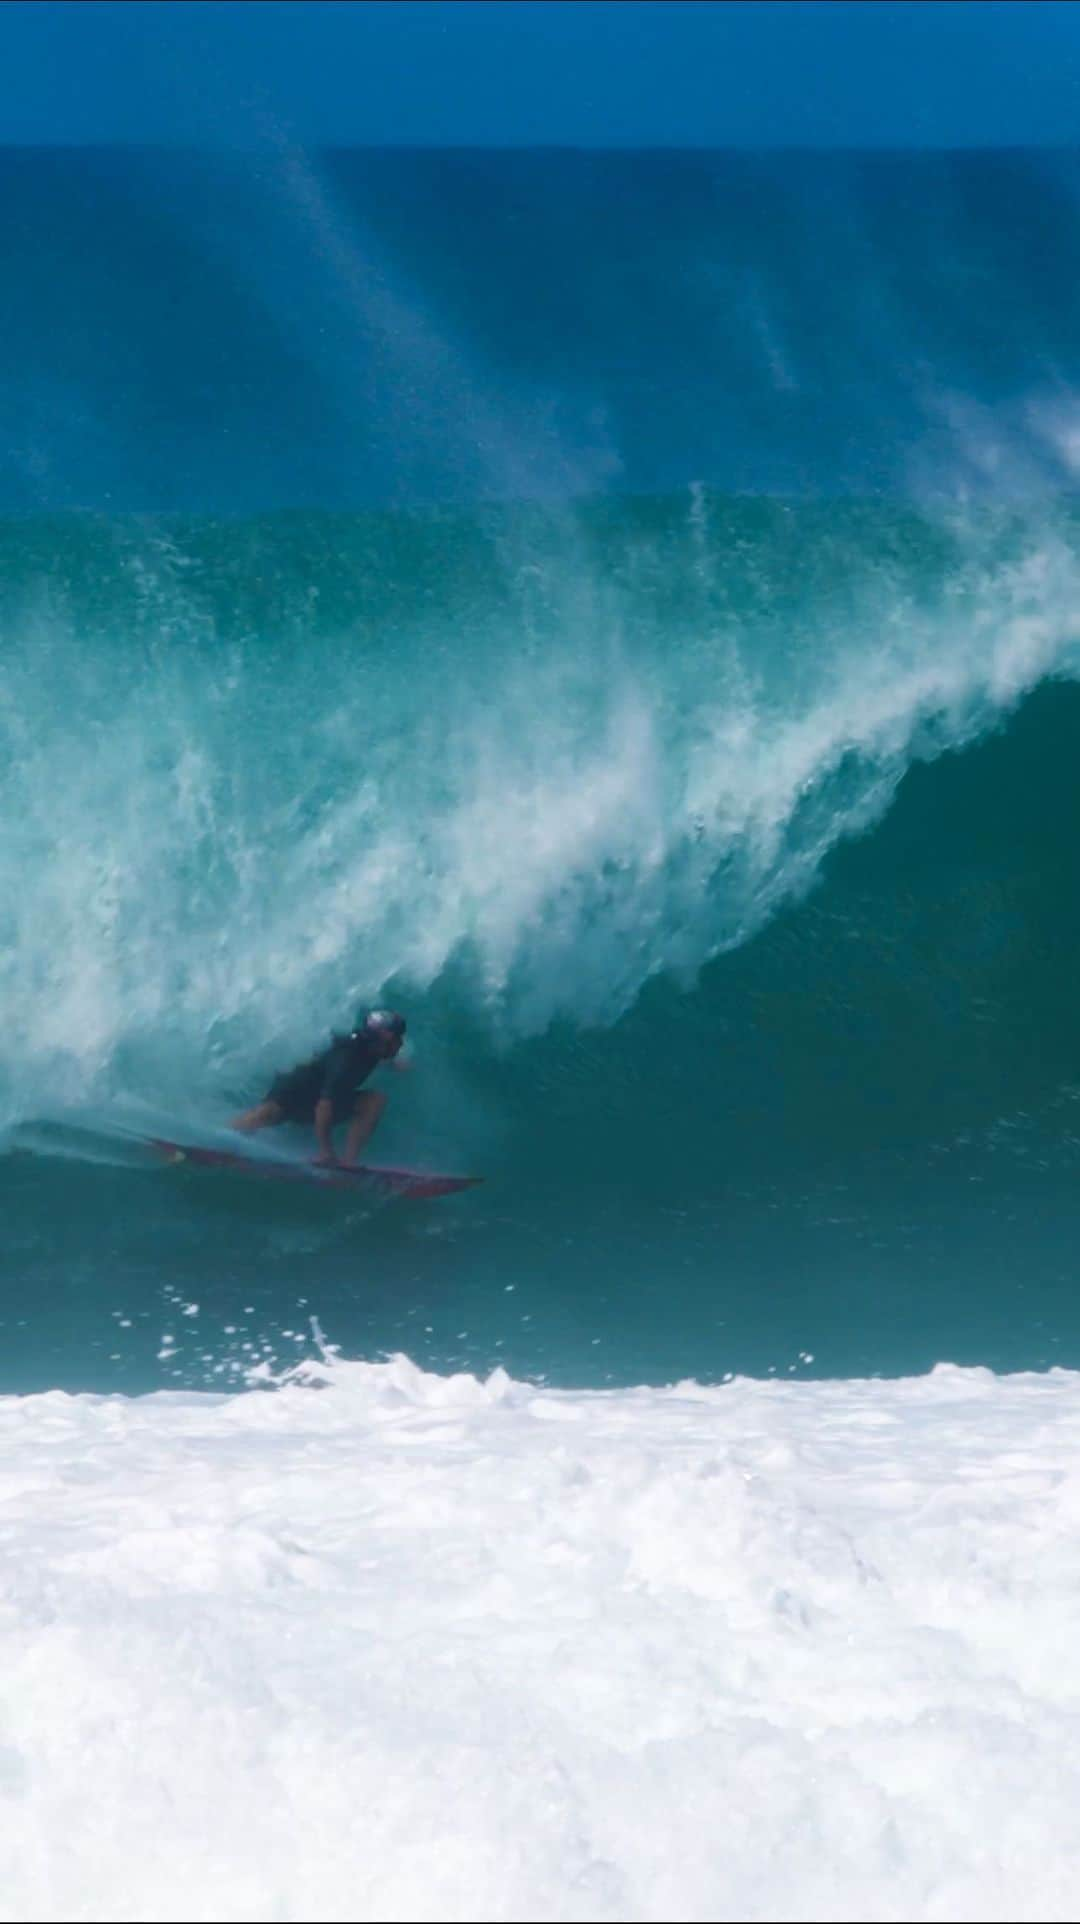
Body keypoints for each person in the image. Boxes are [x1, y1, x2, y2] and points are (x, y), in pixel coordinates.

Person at [231, 1009, 407, 1167]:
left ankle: (349, 1162)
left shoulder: (373, 1048)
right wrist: (326, 1152)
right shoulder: (347, 1059)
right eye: (396, 1038)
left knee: (374, 1101)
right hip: (292, 1098)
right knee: (265, 1116)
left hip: (320, 1100)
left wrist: (393, 1063)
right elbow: (325, 1106)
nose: (400, 1043)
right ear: (380, 1040)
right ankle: (222, 1138)